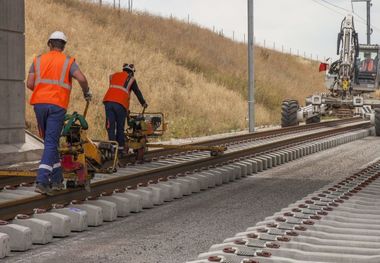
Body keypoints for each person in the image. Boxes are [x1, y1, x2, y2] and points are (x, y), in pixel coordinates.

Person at [26, 31, 92, 194]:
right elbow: (82, 79)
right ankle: (41, 180)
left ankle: (56, 180)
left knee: (51, 142)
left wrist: (43, 91)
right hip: (57, 105)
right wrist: (86, 92)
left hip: (40, 104)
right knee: (51, 142)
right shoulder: (68, 62)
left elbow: (29, 83)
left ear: (49, 44)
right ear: (63, 46)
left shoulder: (37, 60)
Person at [103, 63, 148, 158]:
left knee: (110, 126)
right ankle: (120, 150)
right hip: (120, 104)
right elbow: (137, 92)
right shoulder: (131, 79)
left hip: (108, 102)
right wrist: (143, 103)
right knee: (120, 127)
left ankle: (112, 148)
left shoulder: (113, 76)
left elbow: (116, 90)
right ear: (131, 72)